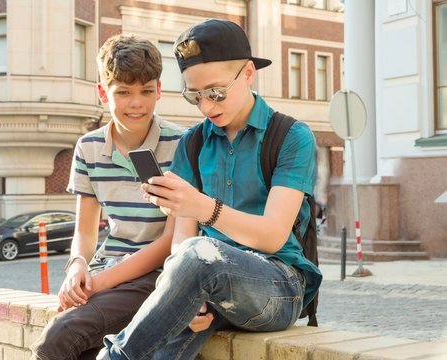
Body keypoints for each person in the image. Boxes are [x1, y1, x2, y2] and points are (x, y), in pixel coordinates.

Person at [97, 19, 323, 360]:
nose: (206, 107)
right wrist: (195, 297)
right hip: (206, 285)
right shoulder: (193, 142)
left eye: (216, 93)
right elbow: (181, 240)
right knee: (167, 343)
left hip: (277, 288)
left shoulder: (291, 136)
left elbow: (273, 236)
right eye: (194, 96)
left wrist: (203, 208)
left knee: (200, 254)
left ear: (248, 73)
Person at [30, 33, 185, 360]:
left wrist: (97, 284)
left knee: (57, 339)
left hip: (153, 279)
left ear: (159, 90)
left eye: (146, 91)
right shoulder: (88, 147)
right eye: (124, 92)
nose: (137, 103)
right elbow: (85, 230)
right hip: (106, 270)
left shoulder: (182, 145)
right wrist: (77, 267)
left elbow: (171, 241)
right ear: (103, 92)